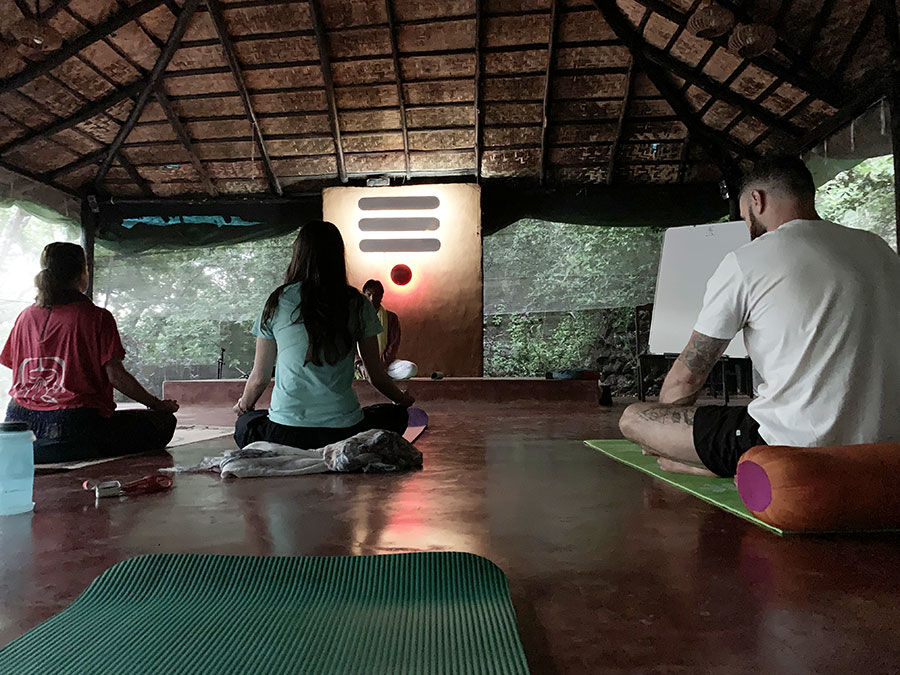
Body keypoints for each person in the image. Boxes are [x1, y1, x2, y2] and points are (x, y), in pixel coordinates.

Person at [619, 156, 900, 478]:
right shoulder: (878, 248)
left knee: (635, 418)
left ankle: (730, 466)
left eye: (744, 217)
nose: (747, 227)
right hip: (885, 444)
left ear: (757, 199)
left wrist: (663, 439)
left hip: (794, 446)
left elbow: (689, 374)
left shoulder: (748, 259)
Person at [233, 221, 415, 450]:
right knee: (395, 416)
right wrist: (402, 400)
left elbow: (260, 378)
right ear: (338, 256)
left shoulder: (277, 301)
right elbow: (376, 376)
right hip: (343, 433)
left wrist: (243, 406)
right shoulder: (357, 302)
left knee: (245, 424)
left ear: (297, 254)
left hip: (286, 434)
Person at [1, 242, 179, 463]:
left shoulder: (24, 317)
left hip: (16, 428)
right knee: (163, 422)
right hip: (71, 427)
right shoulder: (96, 317)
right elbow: (116, 376)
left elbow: (14, 366)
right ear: (83, 273)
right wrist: (157, 404)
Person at [358, 279, 418, 380]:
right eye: (369, 294)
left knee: (410, 368)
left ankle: (378, 375)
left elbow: (393, 346)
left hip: (385, 365)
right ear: (364, 295)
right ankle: (365, 374)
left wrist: (379, 367)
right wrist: (359, 364)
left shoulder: (390, 317)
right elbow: (351, 347)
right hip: (361, 366)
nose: (372, 299)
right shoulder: (356, 318)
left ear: (381, 297)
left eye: (376, 295)